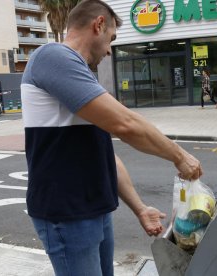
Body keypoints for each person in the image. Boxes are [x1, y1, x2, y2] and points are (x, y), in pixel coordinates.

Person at [20, 1, 202, 275]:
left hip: (93, 212)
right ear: (99, 24)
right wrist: (180, 156)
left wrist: (140, 208)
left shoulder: (79, 73)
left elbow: (103, 153)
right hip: (67, 214)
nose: (109, 50)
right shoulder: (53, 56)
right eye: (111, 40)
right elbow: (125, 124)